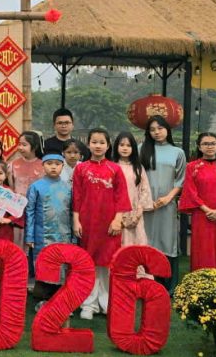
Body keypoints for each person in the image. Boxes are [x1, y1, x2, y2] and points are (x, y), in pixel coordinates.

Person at [73, 129, 131, 320]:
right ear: (88, 144)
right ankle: (88, 304)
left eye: (102, 142)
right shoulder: (81, 169)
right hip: (87, 222)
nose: (98, 146)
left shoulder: (115, 169)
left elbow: (121, 196)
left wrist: (117, 220)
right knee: (88, 262)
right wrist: (76, 220)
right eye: (94, 142)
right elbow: (77, 197)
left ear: (108, 145)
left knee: (107, 262)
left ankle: (107, 303)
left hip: (109, 223)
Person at [140, 115, 187, 294]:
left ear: (167, 129)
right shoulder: (141, 149)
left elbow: (180, 180)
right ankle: (145, 281)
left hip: (167, 205)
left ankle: (169, 285)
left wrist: (168, 197)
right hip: (145, 205)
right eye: (152, 129)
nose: (156, 132)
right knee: (146, 240)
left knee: (167, 241)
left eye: (160, 128)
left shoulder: (177, 152)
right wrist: (144, 200)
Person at [179, 133, 216, 271]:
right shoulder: (192, 167)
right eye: (205, 144)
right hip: (202, 215)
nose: (209, 146)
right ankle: (201, 279)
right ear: (199, 147)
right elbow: (190, 192)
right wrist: (207, 210)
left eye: (213, 143)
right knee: (203, 248)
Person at [25, 151, 72, 308]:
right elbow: (30, 212)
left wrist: (73, 237)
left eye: (57, 164)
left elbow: (71, 212)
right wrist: (29, 236)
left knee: (62, 266)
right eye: (49, 164)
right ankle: (42, 299)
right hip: (42, 235)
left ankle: (60, 299)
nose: (53, 167)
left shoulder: (68, 188)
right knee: (43, 264)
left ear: (62, 166)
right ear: (43, 165)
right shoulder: (35, 187)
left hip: (63, 235)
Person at [112, 132, 154, 249]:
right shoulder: (111, 167)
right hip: (115, 214)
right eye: (122, 145)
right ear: (116, 146)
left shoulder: (138, 168)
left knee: (136, 246)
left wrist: (138, 212)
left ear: (133, 148)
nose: (125, 148)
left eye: (128, 145)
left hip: (135, 212)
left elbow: (144, 190)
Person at [9, 132, 44, 197]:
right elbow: (11, 188)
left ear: (35, 147)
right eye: (19, 144)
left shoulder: (43, 165)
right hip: (17, 201)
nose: (20, 147)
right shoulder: (13, 164)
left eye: (24, 145)